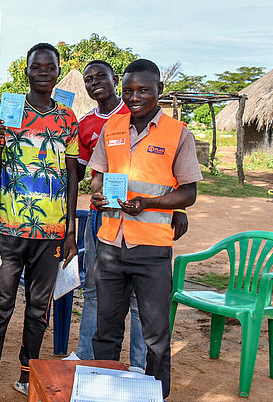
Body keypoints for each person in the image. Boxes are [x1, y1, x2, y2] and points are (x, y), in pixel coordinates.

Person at [0, 43, 80, 402]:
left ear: (57, 71)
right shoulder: (8, 110)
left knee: (38, 310)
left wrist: (71, 229)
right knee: (0, 309)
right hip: (8, 228)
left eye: (50, 67)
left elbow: (73, 177)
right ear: (27, 71)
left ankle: (25, 376)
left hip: (51, 231)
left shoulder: (67, 119)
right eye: (37, 67)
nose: (43, 72)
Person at [89, 59, 201, 399]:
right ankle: (102, 391)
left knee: (155, 334)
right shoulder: (113, 128)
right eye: (128, 91)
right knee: (106, 331)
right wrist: (96, 195)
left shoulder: (177, 133)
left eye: (143, 90)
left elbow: (189, 192)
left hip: (152, 249)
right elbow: (98, 174)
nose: (134, 97)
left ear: (159, 91)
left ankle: (155, 395)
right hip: (110, 244)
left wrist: (146, 203)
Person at [69, 59, 153, 370]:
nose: (94, 83)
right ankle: (86, 355)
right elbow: (83, 172)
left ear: (114, 78)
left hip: (140, 217)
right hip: (101, 216)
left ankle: (139, 365)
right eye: (88, 79)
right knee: (93, 287)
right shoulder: (87, 124)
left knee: (138, 297)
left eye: (100, 76)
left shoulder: (136, 113)